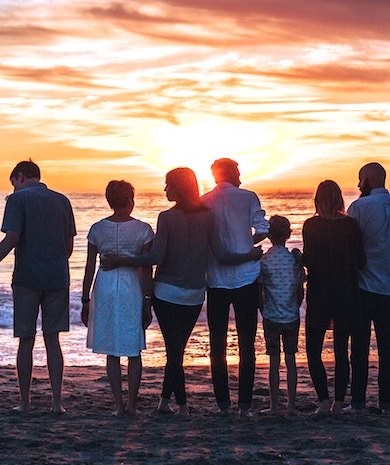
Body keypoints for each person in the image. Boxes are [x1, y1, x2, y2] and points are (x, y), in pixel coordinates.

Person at [100, 167, 213, 417]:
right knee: (177, 349)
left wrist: (121, 260)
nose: (165, 190)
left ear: (179, 188)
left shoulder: (167, 217)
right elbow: (218, 251)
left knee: (175, 351)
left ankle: (182, 406)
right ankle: (164, 401)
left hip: (168, 293)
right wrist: (250, 254)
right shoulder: (208, 216)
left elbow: (154, 256)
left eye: (168, 185)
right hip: (195, 293)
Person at [0, 161, 77, 415]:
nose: (14, 188)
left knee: (26, 340)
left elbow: (12, 238)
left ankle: (25, 402)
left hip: (27, 277)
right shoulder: (62, 200)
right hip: (57, 277)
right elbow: (69, 248)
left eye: (14, 183)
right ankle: (57, 402)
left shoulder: (17, 200)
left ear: (20, 177)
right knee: (53, 340)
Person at [346, 162, 390, 414]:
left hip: (363, 287)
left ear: (371, 179)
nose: (358, 184)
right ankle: (387, 404)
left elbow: (350, 247)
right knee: (388, 347)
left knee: (359, 347)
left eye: (361, 179)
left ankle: (358, 403)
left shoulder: (357, 207)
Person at [80, 180, 154, 416]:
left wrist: (84, 300)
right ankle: (132, 404)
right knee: (133, 349)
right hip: (132, 286)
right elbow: (147, 268)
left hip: (105, 287)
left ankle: (118, 406)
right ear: (130, 201)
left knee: (112, 350)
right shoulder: (143, 229)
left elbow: (89, 268)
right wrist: (147, 300)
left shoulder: (97, 229)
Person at [202, 158, 268, 416]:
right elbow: (263, 229)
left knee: (217, 342)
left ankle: (222, 404)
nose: (241, 175)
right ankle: (244, 405)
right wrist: (245, 242)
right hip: (246, 278)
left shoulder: (204, 200)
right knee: (247, 343)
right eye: (238, 170)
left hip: (216, 279)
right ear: (231, 172)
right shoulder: (249, 197)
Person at [302, 180, 365, 416]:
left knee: (314, 349)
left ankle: (324, 402)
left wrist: (299, 258)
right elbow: (361, 261)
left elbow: (311, 259)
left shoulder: (311, 225)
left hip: (320, 293)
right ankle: (339, 403)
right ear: (339, 199)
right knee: (341, 351)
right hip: (347, 292)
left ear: (317, 200)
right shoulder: (351, 226)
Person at [258, 216, 303, 416]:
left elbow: (260, 291)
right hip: (291, 315)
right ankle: (291, 405)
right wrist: (295, 306)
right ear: (288, 234)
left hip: (271, 315)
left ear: (268, 235)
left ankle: (274, 406)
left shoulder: (264, 260)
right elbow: (300, 289)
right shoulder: (293, 259)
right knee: (291, 360)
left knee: (274, 362)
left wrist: (263, 309)